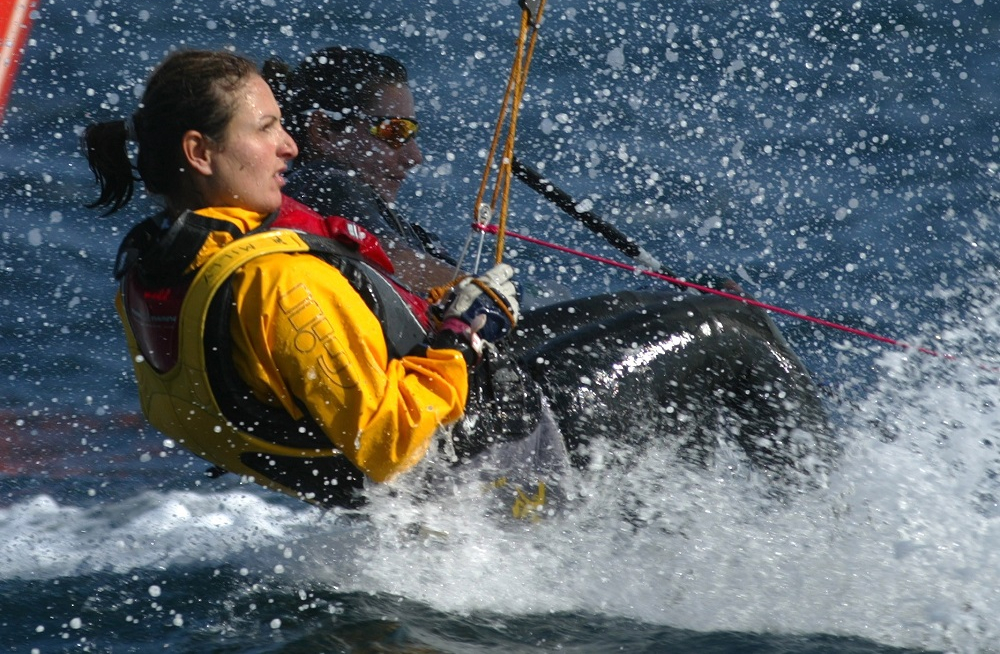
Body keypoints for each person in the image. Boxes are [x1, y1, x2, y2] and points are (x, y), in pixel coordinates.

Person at [85, 48, 838, 516]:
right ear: (199, 151)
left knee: (691, 311)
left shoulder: (159, 256)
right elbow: (388, 442)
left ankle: (698, 513)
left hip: (425, 430)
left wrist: (450, 333)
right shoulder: (279, 283)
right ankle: (820, 526)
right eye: (265, 129)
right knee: (735, 337)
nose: (285, 144)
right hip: (477, 446)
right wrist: (457, 336)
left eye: (284, 124)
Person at [263, 47, 459, 296]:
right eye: (394, 131)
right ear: (323, 131)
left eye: (412, 133)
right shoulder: (327, 183)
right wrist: (490, 293)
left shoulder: (317, 193)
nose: (415, 157)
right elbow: (392, 259)